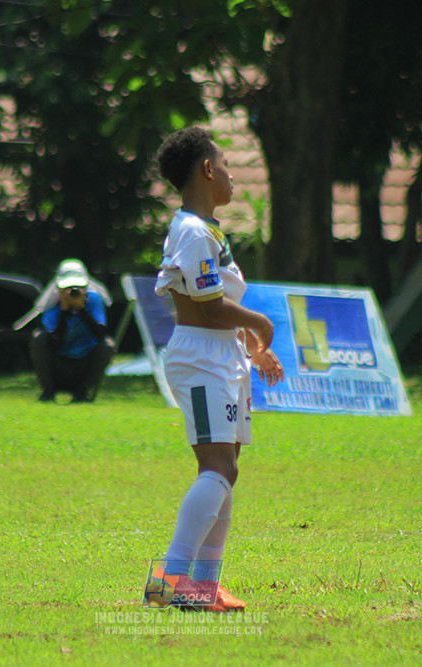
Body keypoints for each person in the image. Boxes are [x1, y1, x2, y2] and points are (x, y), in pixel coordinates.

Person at [143, 127, 284, 612]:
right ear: (207, 170)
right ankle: (171, 578)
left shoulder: (206, 230)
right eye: (225, 166)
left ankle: (203, 585)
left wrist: (249, 345)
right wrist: (259, 322)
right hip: (202, 354)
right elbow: (205, 306)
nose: (230, 177)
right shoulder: (193, 231)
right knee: (217, 468)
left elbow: (216, 301)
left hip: (219, 353)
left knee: (228, 468)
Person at [29, 258, 114, 403]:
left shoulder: (93, 300)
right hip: (58, 366)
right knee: (39, 338)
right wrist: (64, 311)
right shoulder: (53, 304)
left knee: (107, 345)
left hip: (84, 365)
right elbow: (54, 342)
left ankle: (83, 392)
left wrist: (81, 309)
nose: (73, 291)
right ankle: (48, 391)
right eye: (67, 287)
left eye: (78, 286)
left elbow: (100, 334)